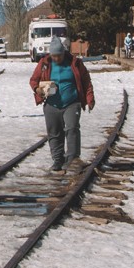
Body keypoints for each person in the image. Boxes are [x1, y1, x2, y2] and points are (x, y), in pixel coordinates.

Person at [29, 37, 94, 171]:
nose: (56, 58)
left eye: (58, 56)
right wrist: (37, 89)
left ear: (63, 53)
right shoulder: (44, 63)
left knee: (72, 128)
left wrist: (90, 98)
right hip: (51, 104)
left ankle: (72, 159)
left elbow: (86, 81)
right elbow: (33, 80)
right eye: (53, 56)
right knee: (54, 133)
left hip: (72, 102)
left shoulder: (75, 63)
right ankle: (58, 160)